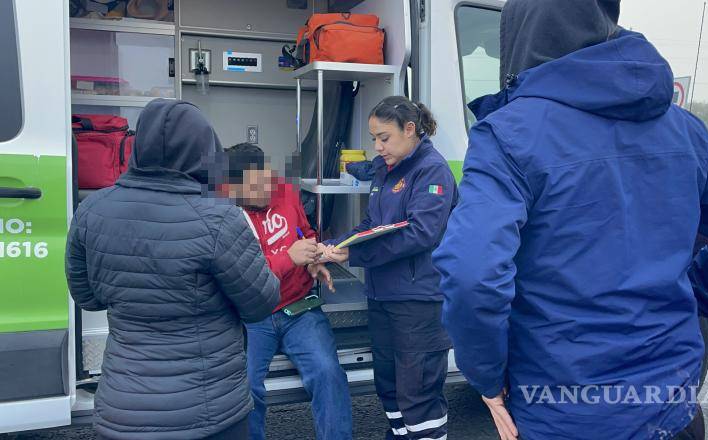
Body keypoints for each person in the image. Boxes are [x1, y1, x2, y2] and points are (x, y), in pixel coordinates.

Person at [432, 1, 708, 440]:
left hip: (566, 412)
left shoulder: (509, 133)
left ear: (519, 37)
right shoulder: (685, 129)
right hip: (672, 408)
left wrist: (486, 376)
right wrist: (693, 298)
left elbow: (472, 273)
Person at [65, 99, 280, 440]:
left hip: (123, 408)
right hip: (210, 411)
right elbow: (261, 302)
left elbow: (87, 297)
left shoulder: (91, 210)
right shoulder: (218, 217)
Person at [321, 96, 458, 440]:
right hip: (382, 295)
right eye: (374, 139)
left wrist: (355, 257)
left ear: (410, 129)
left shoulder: (433, 170)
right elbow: (371, 223)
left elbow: (420, 234)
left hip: (418, 300)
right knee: (389, 383)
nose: (378, 147)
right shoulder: (386, 169)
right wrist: (337, 246)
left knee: (418, 392)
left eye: (384, 137)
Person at [221, 143, 352, 440]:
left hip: (299, 307)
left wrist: (312, 257)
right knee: (245, 388)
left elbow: (303, 233)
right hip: (252, 317)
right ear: (232, 189)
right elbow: (238, 274)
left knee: (327, 373)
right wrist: (288, 258)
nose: (268, 189)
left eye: (268, 178)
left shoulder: (283, 190)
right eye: (257, 186)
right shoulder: (224, 215)